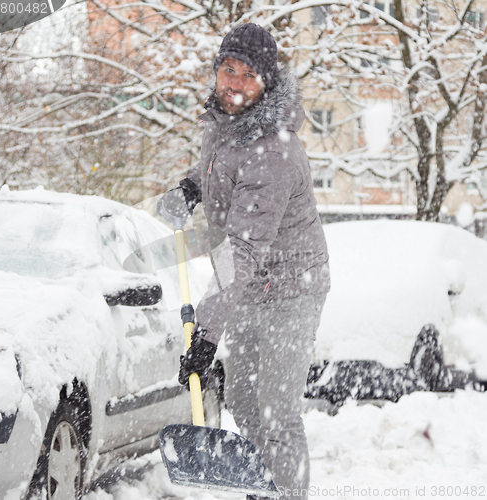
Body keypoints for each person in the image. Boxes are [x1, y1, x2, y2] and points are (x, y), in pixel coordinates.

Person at [175, 23, 330, 500]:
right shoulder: (225, 125)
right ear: (217, 71)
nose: (236, 83)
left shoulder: (274, 150)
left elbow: (241, 250)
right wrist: (192, 186)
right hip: (250, 290)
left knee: (277, 411)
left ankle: (286, 493)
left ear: (267, 84)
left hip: (290, 289)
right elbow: (222, 170)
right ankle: (266, 488)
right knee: (243, 399)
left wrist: (205, 333)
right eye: (228, 69)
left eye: (248, 75)